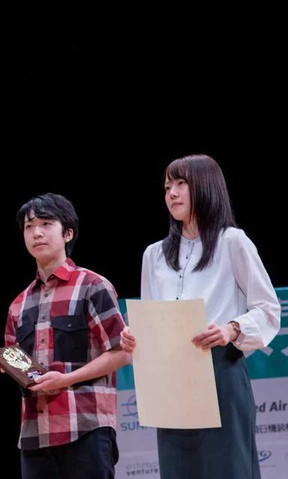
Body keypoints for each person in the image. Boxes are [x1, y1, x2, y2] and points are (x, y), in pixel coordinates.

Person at [120, 154, 280, 479]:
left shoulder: (232, 241)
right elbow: (152, 317)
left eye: (181, 184)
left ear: (206, 187)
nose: (172, 193)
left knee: (228, 468)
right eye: (167, 187)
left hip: (219, 369)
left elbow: (268, 308)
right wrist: (135, 336)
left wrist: (232, 329)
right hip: (170, 378)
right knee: (177, 469)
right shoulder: (154, 255)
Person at [0, 193, 129, 479]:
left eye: (46, 224)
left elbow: (121, 353)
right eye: (29, 227)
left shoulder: (92, 285)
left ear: (68, 233)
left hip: (85, 428)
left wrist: (66, 379)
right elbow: (24, 370)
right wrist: (4, 363)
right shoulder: (18, 304)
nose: (36, 233)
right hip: (34, 435)